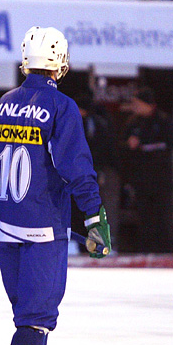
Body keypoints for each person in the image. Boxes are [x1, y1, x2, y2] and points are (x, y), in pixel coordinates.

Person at [0, 26, 111, 345]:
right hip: (42, 229)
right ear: (60, 63)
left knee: (26, 316)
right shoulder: (62, 105)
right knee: (36, 320)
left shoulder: (2, 104)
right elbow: (75, 166)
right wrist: (93, 215)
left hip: (6, 225)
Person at [120, 86, 173, 252]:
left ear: (148, 104)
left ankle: (163, 251)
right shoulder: (133, 122)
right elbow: (122, 146)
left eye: (138, 103)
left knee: (161, 216)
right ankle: (145, 249)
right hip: (141, 179)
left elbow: (168, 145)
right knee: (144, 216)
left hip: (160, 179)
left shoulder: (163, 121)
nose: (135, 107)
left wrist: (142, 146)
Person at [75, 93, 121, 248]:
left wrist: (101, 171)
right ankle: (76, 241)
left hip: (96, 171)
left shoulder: (98, 124)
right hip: (77, 173)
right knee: (78, 207)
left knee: (99, 207)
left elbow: (105, 149)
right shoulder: (73, 124)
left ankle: (104, 242)